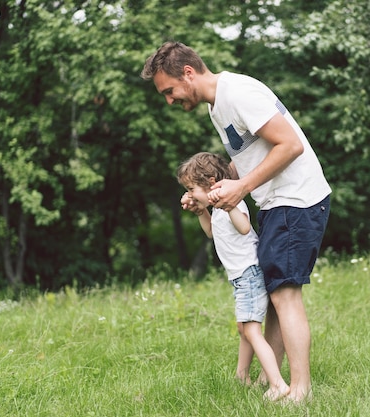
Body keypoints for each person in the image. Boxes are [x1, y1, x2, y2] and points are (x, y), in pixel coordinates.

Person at [142, 41, 331, 403]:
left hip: (298, 198)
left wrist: (242, 187)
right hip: (276, 201)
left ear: (188, 73)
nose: (169, 100)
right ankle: (270, 378)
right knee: (276, 291)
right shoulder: (218, 107)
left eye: (169, 91)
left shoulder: (239, 92)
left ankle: (301, 389)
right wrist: (203, 194)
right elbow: (242, 163)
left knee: (285, 294)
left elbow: (290, 145)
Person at [177, 152, 290, 401]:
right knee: (244, 328)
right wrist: (200, 212)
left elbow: (244, 227)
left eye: (192, 188)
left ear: (211, 180)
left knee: (251, 330)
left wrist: (227, 206)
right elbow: (210, 234)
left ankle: (278, 384)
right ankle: (242, 377)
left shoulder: (232, 202)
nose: (190, 194)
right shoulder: (216, 209)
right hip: (240, 278)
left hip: (249, 274)